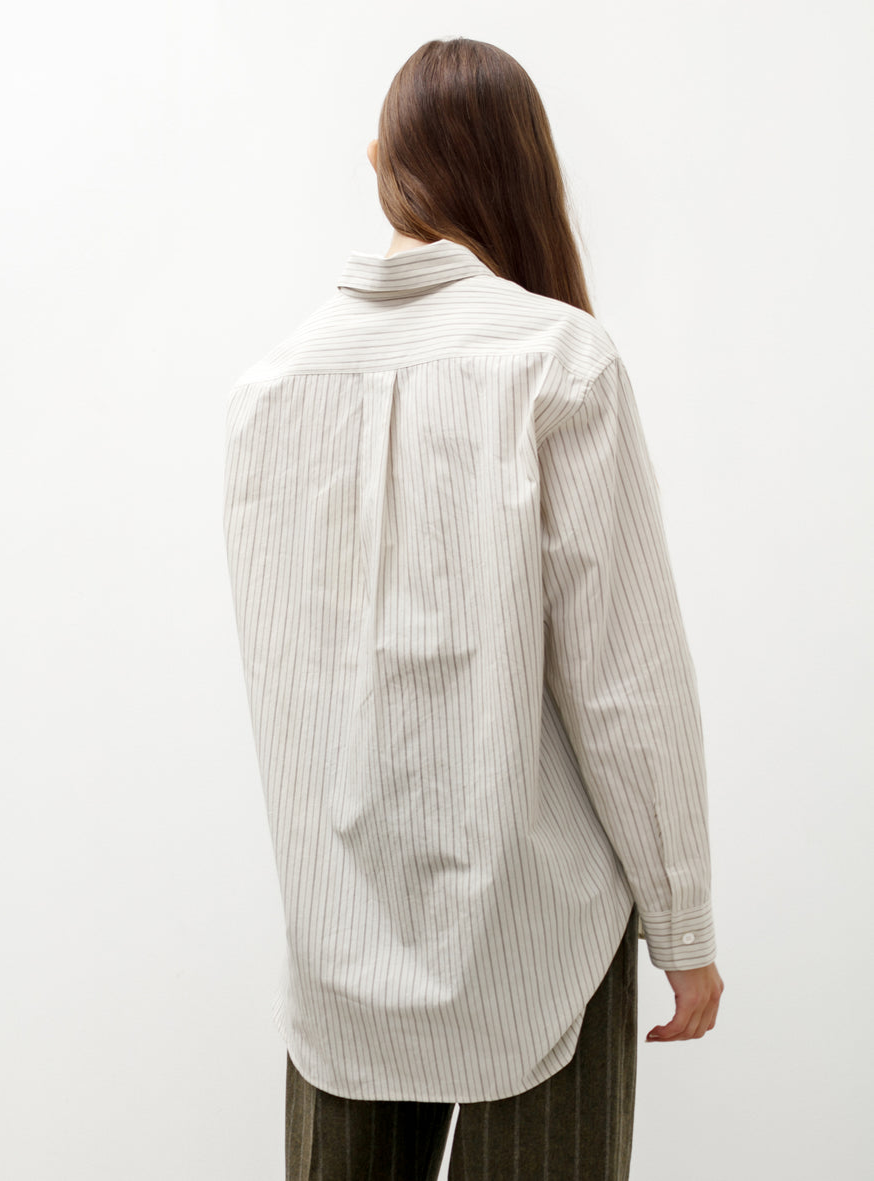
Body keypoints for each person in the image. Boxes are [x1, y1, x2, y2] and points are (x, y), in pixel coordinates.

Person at [222, 35, 723, 1181]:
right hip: (542, 933)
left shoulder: (268, 392)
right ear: (523, 166)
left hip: (339, 945)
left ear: (380, 162)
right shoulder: (560, 362)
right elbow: (626, 682)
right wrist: (684, 926)